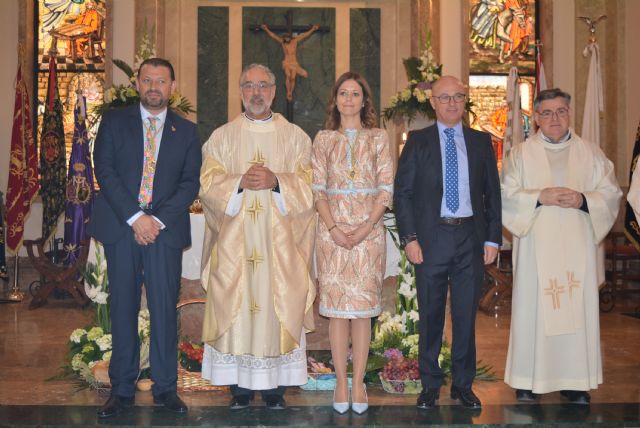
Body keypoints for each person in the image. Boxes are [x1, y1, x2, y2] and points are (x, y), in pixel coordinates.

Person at [88, 57, 201, 418]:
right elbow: (103, 169)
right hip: (122, 229)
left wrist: (155, 221)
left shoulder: (186, 131)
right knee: (122, 307)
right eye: (148, 80)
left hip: (163, 234)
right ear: (138, 84)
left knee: (165, 310)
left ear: (172, 87)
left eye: (161, 81)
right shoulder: (114, 121)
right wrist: (136, 218)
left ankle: (166, 387)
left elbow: (189, 182)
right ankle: (121, 389)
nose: (154, 87)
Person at [199, 63, 316, 411]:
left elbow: (310, 185)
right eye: (249, 86)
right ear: (240, 91)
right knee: (237, 307)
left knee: (277, 303)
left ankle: (276, 389)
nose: (256, 93)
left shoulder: (295, 137)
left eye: (263, 86)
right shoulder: (222, 136)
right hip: (236, 248)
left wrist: (278, 182)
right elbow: (207, 185)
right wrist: (237, 183)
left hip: (280, 250)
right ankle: (237, 388)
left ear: (275, 91)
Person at [502, 88, 621, 405]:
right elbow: (506, 195)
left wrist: (584, 200)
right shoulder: (520, 155)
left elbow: (610, 194)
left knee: (575, 312)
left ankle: (574, 381)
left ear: (569, 113)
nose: (555, 118)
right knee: (533, 309)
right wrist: (539, 197)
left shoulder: (590, 153)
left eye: (561, 111)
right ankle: (528, 379)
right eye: (547, 113)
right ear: (537, 118)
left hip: (576, 247)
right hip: (535, 248)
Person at [394, 75, 502, 410]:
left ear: (464, 100)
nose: (452, 103)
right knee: (430, 315)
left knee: (467, 315)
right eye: (444, 97)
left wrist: (493, 238)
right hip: (432, 238)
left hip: (470, 237)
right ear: (433, 102)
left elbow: (492, 195)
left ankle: (463, 384)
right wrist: (410, 238)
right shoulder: (418, 140)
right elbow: (403, 194)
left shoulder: (481, 142)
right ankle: (429, 385)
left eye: (457, 96)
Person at [311, 72, 393, 414]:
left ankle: (359, 382)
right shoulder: (323, 138)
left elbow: (386, 188)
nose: (348, 99)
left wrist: (364, 228)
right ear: (335, 99)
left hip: (368, 235)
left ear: (364, 100)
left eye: (355, 93)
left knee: (361, 314)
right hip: (331, 236)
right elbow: (317, 189)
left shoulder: (378, 137)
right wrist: (332, 228)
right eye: (343, 93)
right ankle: (341, 381)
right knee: (337, 315)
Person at [260, 24, 320, 102]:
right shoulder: (282, 42)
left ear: (290, 37)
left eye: (287, 38)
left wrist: (313, 29)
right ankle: (288, 92)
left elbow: (305, 35)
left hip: (294, 62)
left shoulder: (295, 41)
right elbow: (273, 36)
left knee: (293, 78)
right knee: (288, 76)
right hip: (287, 62)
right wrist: (266, 29)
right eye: (285, 38)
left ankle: (291, 92)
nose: (286, 39)